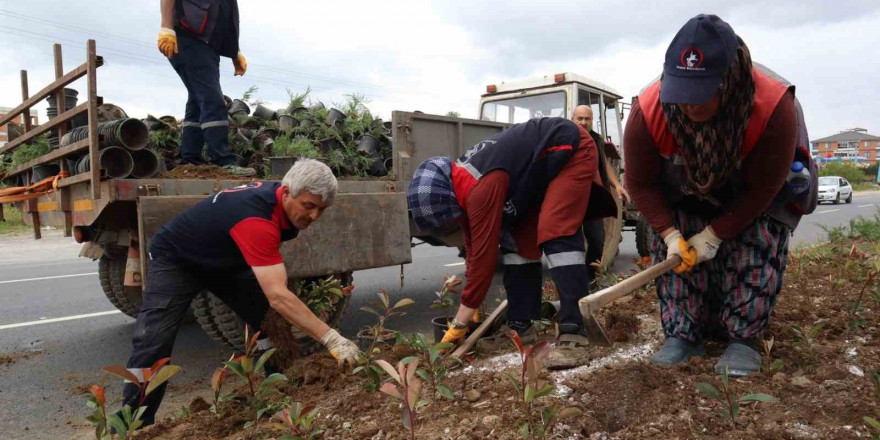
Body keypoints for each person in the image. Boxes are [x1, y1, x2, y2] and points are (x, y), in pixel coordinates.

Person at [625, 14, 814, 376]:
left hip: (753, 197)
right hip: (683, 192)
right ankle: (682, 332)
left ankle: (744, 338)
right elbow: (642, 184)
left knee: (754, 242)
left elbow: (765, 189)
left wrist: (714, 235)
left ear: (729, 83)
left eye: (701, 95)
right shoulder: (648, 112)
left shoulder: (774, 108)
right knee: (679, 257)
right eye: (682, 95)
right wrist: (670, 235)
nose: (689, 106)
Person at [119, 159, 360, 425]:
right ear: (288, 192)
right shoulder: (257, 219)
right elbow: (278, 296)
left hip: (225, 260)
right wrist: (331, 338)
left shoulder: (280, 200)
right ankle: (134, 423)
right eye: (309, 206)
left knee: (270, 323)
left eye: (321, 209)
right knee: (154, 339)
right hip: (178, 260)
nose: (314, 216)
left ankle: (277, 389)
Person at [408, 117, 615, 369]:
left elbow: (484, 259)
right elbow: (473, 250)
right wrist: (470, 307)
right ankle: (521, 325)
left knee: (556, 230)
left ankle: (575, 330)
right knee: (516, 245)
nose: (451, 226)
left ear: (448, 201)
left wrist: (460, 323)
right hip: (537, 175)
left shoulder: (480, 187)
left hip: (569, 148)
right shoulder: (460, 185)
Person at [158, 0, 255, 176]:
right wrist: (166, 27)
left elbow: (226, 15)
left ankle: (190, 157)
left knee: (198, 99)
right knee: (212, 99)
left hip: (208, 47)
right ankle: (222, 160)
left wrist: (235, 51)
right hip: (187, 39)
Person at [571, 105, 629, 279]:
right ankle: (573, 279)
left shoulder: (597, 140)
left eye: (587, 119)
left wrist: (617, 185)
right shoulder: (565, 137)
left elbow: (603, 164)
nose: (583, 122)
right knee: (573, 240)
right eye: (579, 118)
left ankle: (591, 279)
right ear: (573, 119)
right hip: (572, 198)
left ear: (591, 120)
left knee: (597, 240)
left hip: (593, 198)